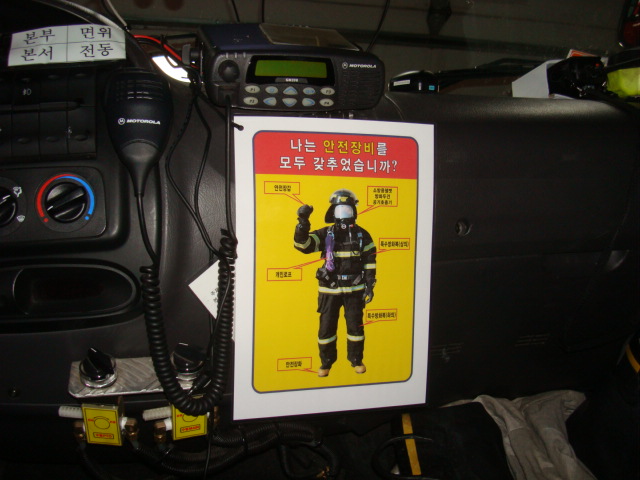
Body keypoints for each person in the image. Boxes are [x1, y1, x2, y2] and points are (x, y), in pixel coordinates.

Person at [294, 189, 376, 377]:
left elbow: (370, 262)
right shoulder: (326, 234)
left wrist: (370, 285)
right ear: (333, 211)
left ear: (354, 211)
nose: (344, 214)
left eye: (347, 209)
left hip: (355, 290)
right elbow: (303, 245)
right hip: (329, 290)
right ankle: (326, 363)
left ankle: (356, 360)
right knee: (326, 328)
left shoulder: (363, 235)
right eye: (340, 210)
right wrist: (303, 223)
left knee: (355, 328)